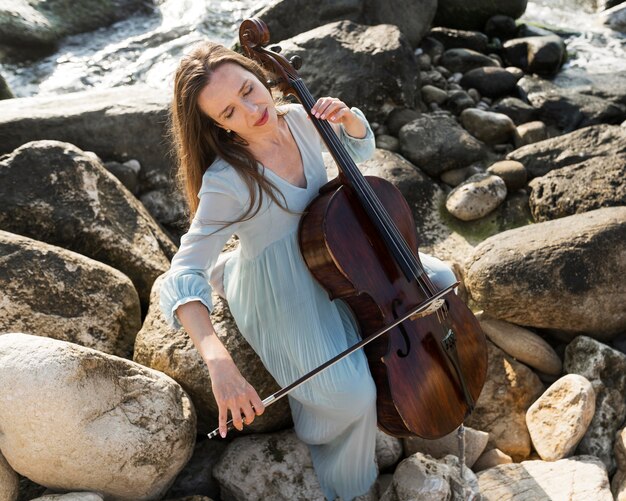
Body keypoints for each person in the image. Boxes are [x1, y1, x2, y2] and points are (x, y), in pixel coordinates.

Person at [159, 41, 457, 501]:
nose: (252, 110)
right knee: (350, 396)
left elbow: (359, 148)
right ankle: (350, 487)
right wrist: (220, 365)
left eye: (250, 90)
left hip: (337, 254)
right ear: (218, 127)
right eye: (230, 112)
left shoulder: (299, 118)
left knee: (441, 282)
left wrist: (350, 120)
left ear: (262, 75)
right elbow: (180, 275)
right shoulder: (227, 182)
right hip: (281, 286)